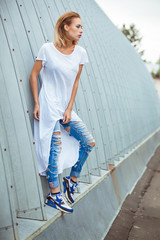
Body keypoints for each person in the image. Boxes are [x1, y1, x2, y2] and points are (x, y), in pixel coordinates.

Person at [30, 11, 96, 214]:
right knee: (54, 150)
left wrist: (69, 108)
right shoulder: (47, 49)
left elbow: (75, 82)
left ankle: (72, 179)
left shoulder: (80, 53)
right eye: (77, 26)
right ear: (65, 27)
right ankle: (54, 194)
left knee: (88, 142)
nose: (81, 30)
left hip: (65, 108)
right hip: (49, 105)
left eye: (81, 27)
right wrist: (36, 103)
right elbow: (34, 74)